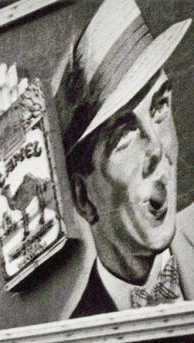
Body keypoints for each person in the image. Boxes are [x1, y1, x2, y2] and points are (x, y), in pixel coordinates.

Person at [57, 0, 194, 317]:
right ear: (84, 198)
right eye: (124, 136)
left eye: (159, 108)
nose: (156, 147)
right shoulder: (79, 324)